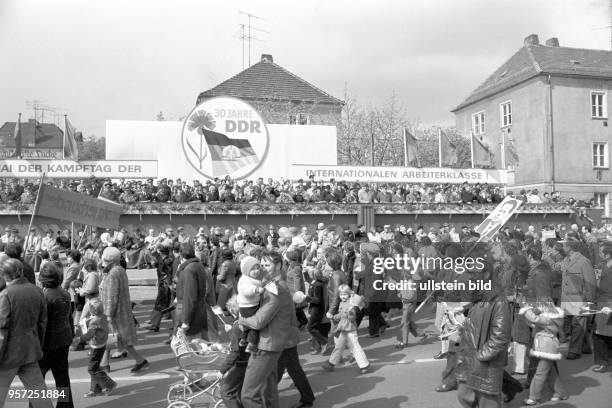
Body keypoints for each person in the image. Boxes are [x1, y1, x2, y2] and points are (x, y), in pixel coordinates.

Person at [239, 250, 293, 408]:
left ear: (278, 266)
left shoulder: (276, 289)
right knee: (268, 391)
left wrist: (241, 320)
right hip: (271, 342)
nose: (262, 268)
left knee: (248, 396)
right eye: (261, 264)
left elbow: (258, 322)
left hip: (267, 344)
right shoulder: (270, 285)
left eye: (267, 265)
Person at [0, 258, 53, 408]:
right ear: (21, 271)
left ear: (4, 275)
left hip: (8, 356)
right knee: (40, 397)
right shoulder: (37, 290)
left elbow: (2, 331)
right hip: (30, 349)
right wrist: (38, 346)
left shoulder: (6, 295)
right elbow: (43, 323)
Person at [456, 266, 511, 408]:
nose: (470, 278)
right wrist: (462, 325)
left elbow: (500, 337)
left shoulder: (498, 301)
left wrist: (480, 357)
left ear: (486, 275)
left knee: (488, 402)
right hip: (471, 359)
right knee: (464, 396)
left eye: (474, 273)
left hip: (486, 363)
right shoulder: (477, 296)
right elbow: (475, 326)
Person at [99, 247, 149, 373]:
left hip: (115, 312)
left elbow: (111, 295)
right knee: (115, 337)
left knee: (117, 337)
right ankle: (105, 363)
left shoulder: (112, 273)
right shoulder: (119, 269)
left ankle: (139, 360)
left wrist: (108, 314)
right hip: (121, 309)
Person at [38, 263, 75, 408]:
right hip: (63, 340)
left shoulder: (45, 296)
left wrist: (38, 345)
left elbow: (43, 324)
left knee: (37, 380)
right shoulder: (64, 292)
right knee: (62, 378)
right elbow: (69, 318)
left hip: (48, 343)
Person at [519, 301, 567, 405]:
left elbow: (533, 318)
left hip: (546, 348)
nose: (537, 308)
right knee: (550, 372)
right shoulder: (551, 318)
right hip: (547, 347)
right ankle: (560, 393)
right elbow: (533, 323)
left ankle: (533, 398)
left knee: (540, 373)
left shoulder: (548, 318)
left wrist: (525, 308)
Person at [322, 284, 370, 374]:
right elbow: (341, 315)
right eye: (341, 294)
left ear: (348, 294)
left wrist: (351, 313)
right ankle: (331, 363)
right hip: (342, 328)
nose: (343, 296)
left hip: (350, 329)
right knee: (339, 346)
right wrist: (333, 317)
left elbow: (352, 317)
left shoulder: (352, 303)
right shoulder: (341, 303)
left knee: (355, 347)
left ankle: (365, 365)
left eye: (344, 294)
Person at [562, 240, 597, 359]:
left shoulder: (583, 261)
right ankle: (585, 346)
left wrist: (589, 301)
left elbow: (590, 282)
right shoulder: (566, 260)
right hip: (568, 298)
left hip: (580, 298)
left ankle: (574, 350)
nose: (562, 248)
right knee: (578, 324)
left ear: (570, 248)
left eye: (564, 246)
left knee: (577, 324)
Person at [79, 299, 117, 397]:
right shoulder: (102, 316)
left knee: (92, 369)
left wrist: (80, 338)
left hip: (96, 346)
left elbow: (89, 334)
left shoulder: (94, 321)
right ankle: (95, 389)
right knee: (95, 368)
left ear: (92, 310)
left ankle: (109, 384)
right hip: (102, 344)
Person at [219, 295, 250, 408]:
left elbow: (235, 352)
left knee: (226, 392)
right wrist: (231, 331)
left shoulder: (237, 327)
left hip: (241, 363)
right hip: (247, 360)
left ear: (232, 310)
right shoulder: (242, 322)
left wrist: (222, 370)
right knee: (238, 391)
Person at [175, 242, 209, 340]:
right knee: (200, 345)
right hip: (199, 309)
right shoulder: (198, 265)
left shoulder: (189, 269)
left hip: (191, 312)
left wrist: (186, 320)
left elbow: (190, 296)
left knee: (192, 348)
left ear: (181, 254)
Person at [592, 245, 612, 372]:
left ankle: (605, 362)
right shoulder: (603, 265)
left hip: (608, 303)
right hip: (602, 302)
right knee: (600, 334)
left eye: (601, 252)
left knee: (603, 334)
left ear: (607, 254)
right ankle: (604, 361)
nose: (599, 254)